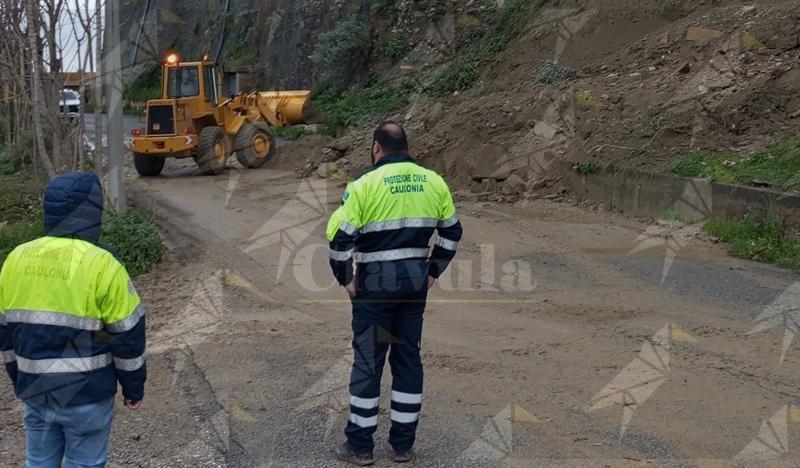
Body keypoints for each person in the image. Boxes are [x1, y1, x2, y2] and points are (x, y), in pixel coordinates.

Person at [326, 122, 463, 465]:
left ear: (376, 148)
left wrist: (346, 279)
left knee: (369, 364)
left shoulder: (363, 186)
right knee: (407, 361)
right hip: (414, 287)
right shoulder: (434, 182)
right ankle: (402, 446)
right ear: (406, 146)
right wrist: (433, 270)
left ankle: (360, 446)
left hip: (375, 285)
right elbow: (452, 232)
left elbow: (339, 239)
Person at [0, 172, 147, 468]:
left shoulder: (16, 259)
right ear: (94, 212)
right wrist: (133, 388)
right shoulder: (104, 264)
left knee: (39, 462)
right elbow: (127, 335)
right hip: (87, 395)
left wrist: (21, 379)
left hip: (36, 392)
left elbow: (6, 334)